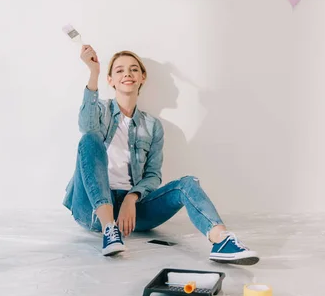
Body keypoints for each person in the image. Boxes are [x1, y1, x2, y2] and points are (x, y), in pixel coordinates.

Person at [63, 45, 259, 265]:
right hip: (92, 209)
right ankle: (110, 230)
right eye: (119, 70)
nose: (127, 73)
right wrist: (94, 72)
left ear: (142, 77)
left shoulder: (152, 126)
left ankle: (221, 239)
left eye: (133, 69)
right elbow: (86, 125)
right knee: (90, 139)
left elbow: (153, 175)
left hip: (133, 213)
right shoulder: (100, 110)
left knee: (187, 183)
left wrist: (132, 197)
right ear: (110, 80)